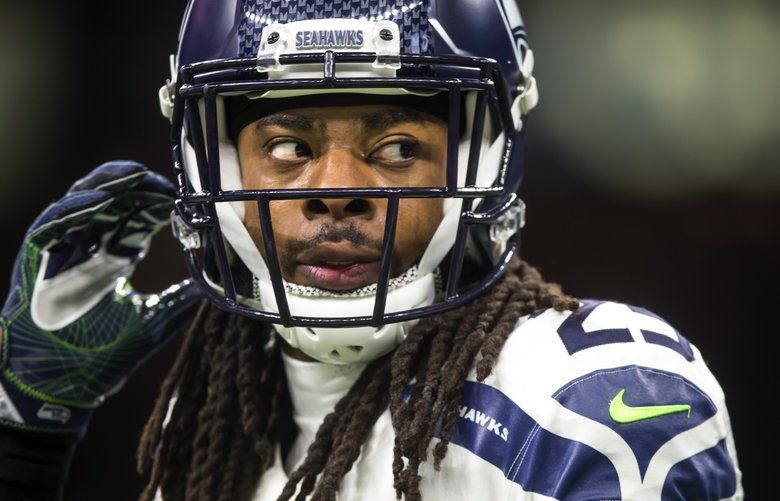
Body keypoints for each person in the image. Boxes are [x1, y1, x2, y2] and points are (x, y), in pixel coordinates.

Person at [0, 1, 742, 500]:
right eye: (289, 146)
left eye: (395, 147)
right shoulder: (201, 430)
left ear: (481, 162)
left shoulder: (583, 402)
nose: (336, 193)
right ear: (212, 166)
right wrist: (24, 443)